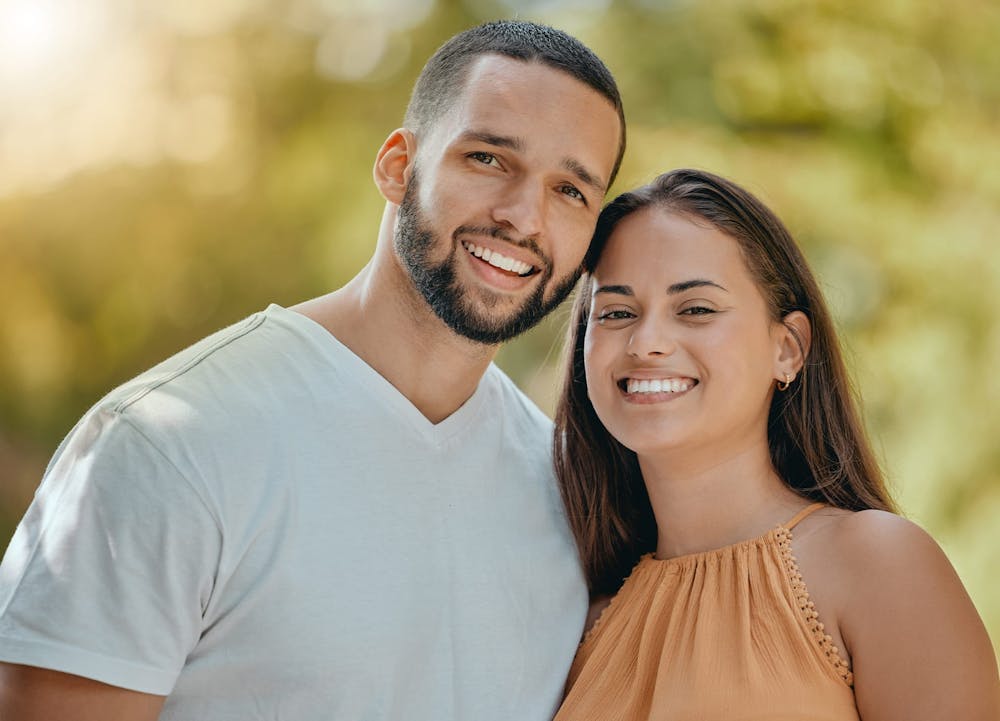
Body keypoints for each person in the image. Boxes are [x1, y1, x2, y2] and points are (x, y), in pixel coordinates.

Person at [0, 20, 626, 720]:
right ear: (397, 166)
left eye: (571, 191)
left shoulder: (569, 490)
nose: (523, 217)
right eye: (487, 159)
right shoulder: (167, 444)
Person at [551, 169, 1000, 720]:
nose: (647, 343)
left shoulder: (874, 566)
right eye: (617, 313)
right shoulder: (589, 625)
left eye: (695, 309)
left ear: (787, 348)